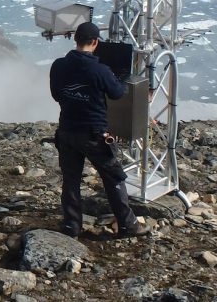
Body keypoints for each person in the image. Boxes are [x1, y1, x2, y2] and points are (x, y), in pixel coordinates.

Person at [49, 21, 148, 238]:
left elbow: (57, 95)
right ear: (95, 42)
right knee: (113, 177)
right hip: (94, 134)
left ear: (75, 39)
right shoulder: (100, 70)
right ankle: (128, 225)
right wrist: (117, 79)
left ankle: (71, 226)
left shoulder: (58, 65)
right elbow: (117, 93)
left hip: (66, 131)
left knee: (71, 179)